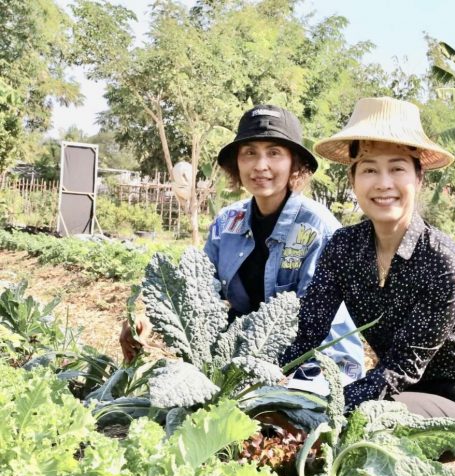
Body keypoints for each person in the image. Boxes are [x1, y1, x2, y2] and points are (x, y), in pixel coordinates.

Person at [280, 96, 455, 428]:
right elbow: (308, 329)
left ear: (419, 178)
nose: (383, 183)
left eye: (397, 168)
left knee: (364, 417)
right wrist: (264, 376)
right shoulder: (343, 247)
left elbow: (402, 367)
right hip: (393, 392)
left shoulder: (440, 258)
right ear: (352, 179)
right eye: (369, 169)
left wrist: (332, 407)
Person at [121, 104, 364, 383]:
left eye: (274, 152)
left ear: (294, 163)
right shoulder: (227, 222)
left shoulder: (318, 228)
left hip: (318, 366)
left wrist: (268, 376)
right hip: (248, 360)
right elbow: (196, 291)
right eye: (249, 153)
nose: (260, 165)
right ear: (236, 163)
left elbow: (316, 326)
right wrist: (150, 318)